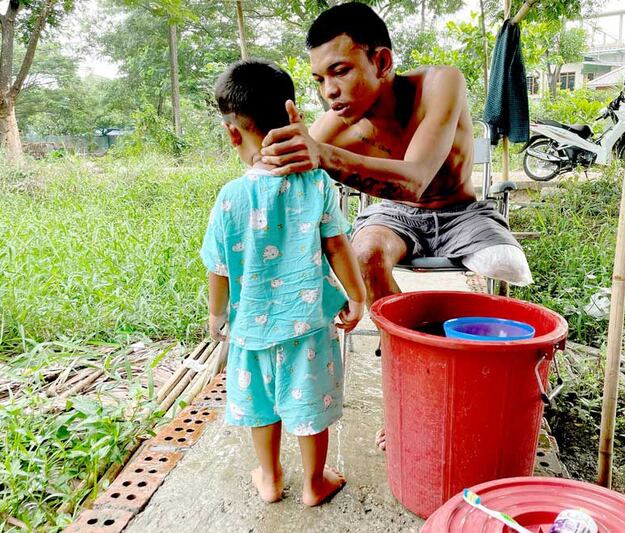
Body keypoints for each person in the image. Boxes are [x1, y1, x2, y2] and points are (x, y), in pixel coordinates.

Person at [259, 3, 531, 448]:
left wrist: (323, 155)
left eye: (340, 71)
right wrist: (273, 155)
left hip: (461, 210)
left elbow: (417, 178)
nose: (328, 91)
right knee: (364, 254)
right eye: (319, 80)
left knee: (508, 265)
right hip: (392, 216)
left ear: (382, 61)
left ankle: (481, 366)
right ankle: (411, 366)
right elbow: (278, 172)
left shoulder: (440, 83)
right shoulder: (333, 126)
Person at [201, 59, 366, 506]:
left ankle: (271, 478)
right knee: (309, 404)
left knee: (261, 403)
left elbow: (218, 266)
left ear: (232, 133)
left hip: (251, 329)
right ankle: (314, 482)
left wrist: (218, 315)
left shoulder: (231, 196)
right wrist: (356, 296)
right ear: (293, 114)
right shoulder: (316, 183)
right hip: (308, 323)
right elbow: (337, 246)